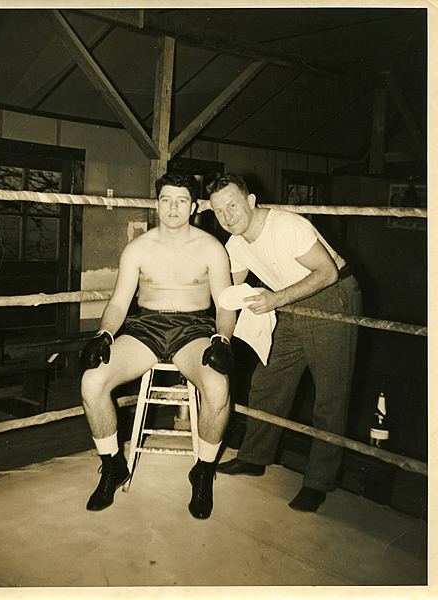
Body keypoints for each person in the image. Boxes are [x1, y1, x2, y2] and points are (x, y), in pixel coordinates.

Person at [80, 172, 235, 520]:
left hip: (194, 328)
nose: (173, 208)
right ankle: (112, 466)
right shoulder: (138, 248)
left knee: (217, 385)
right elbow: (120, 302)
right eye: (166, 200)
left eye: (182, 200)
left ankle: (203, 471)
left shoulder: (211, 247)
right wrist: (104, 334)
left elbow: (225, 304)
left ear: (194, 207)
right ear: (157, 203)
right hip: (146, 327)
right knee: (92, 382)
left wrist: (222, 339)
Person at [208, 173, 362, 512]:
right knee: (268, 381)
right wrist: (221, 339)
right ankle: (253, 457)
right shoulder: (235, 244)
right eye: (218, 211)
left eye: (232, 206)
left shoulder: (287, 227)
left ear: (251, 201)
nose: (227, 216)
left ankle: (318, 481)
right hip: (290, 301)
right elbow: (228, 298)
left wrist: (276, 299)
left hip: (331, 298)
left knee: (330, 395)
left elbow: (327, 273)